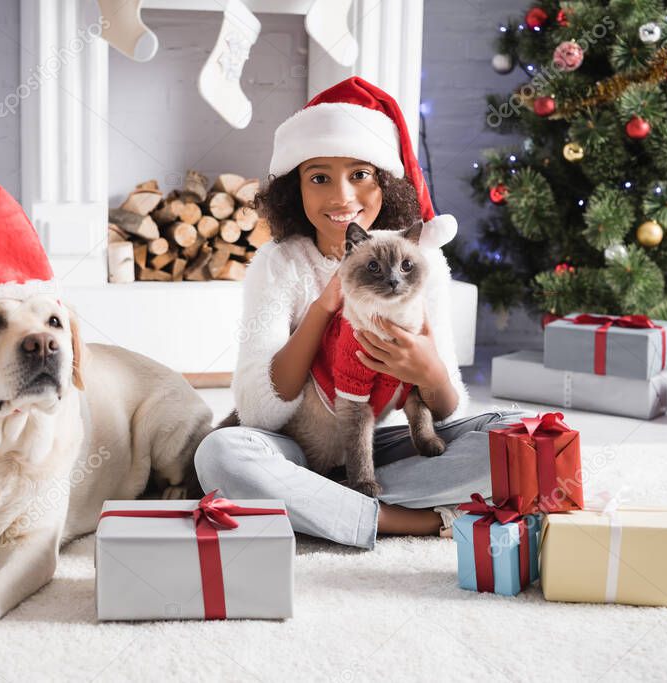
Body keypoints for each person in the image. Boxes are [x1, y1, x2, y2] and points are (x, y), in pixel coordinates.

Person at [194, 77, 517, 549]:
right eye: (319, 177)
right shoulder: (279, 263)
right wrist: (326, 306)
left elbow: (447, 416)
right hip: (290, 451)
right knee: (221, 454)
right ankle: (407, 519)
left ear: (385, 180)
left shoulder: (418, 259)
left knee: (515, 435)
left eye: (360, 175)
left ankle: (314, 504)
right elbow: (260, 410)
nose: (342, 197)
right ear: (294, 189)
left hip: (375, 448)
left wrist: (429, 370)